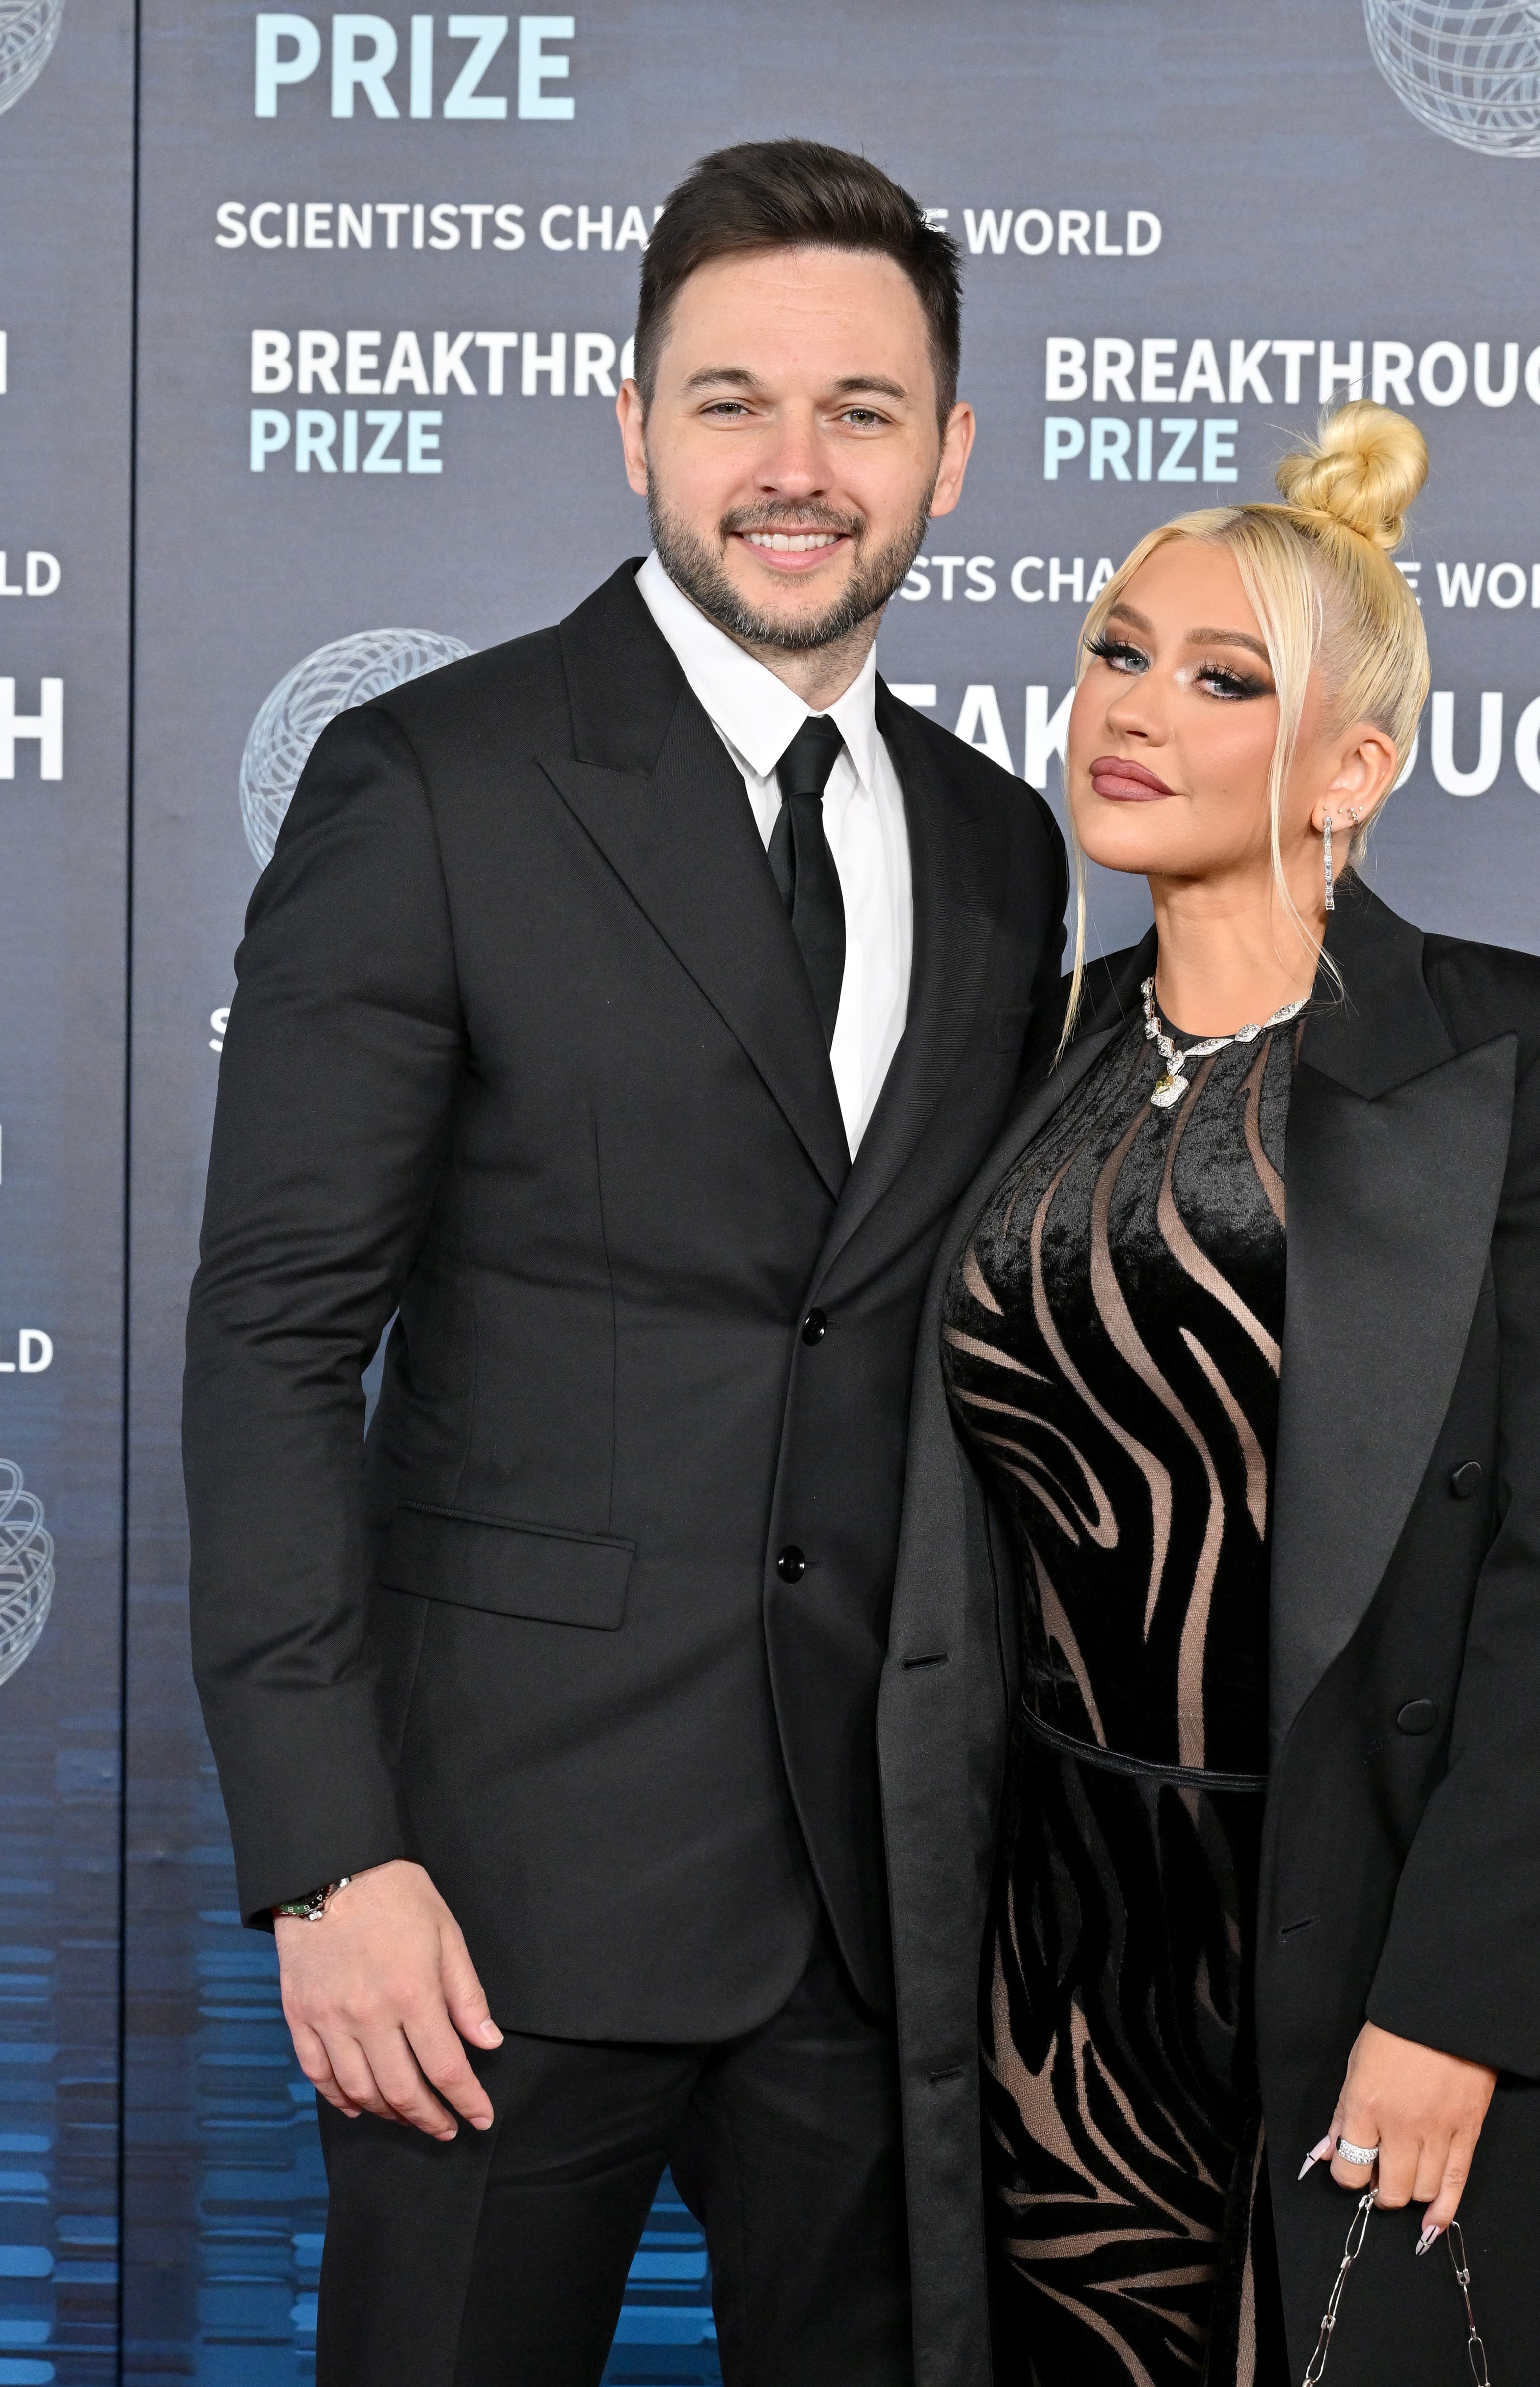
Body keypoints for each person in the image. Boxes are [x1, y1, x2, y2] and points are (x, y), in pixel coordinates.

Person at [182, 137, 1065, 2387]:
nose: (796, 466)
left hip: (882, 1931)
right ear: (631, 426)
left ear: (951, 456)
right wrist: (325, 1863)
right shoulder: (435, 783)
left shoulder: (1000, 843)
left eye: (861, 411)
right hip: (487, 1906)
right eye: (731, 401)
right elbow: (276, 1339)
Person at [879, 400, 1540, 2387]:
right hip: (1057, 1960)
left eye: (1220, 678)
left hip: (1362, 1938)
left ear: (1352, 767)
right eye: (1115, 653)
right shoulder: (1010, 1053)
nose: (1127, 710)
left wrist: (1455, 2005)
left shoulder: (1536, 1061)